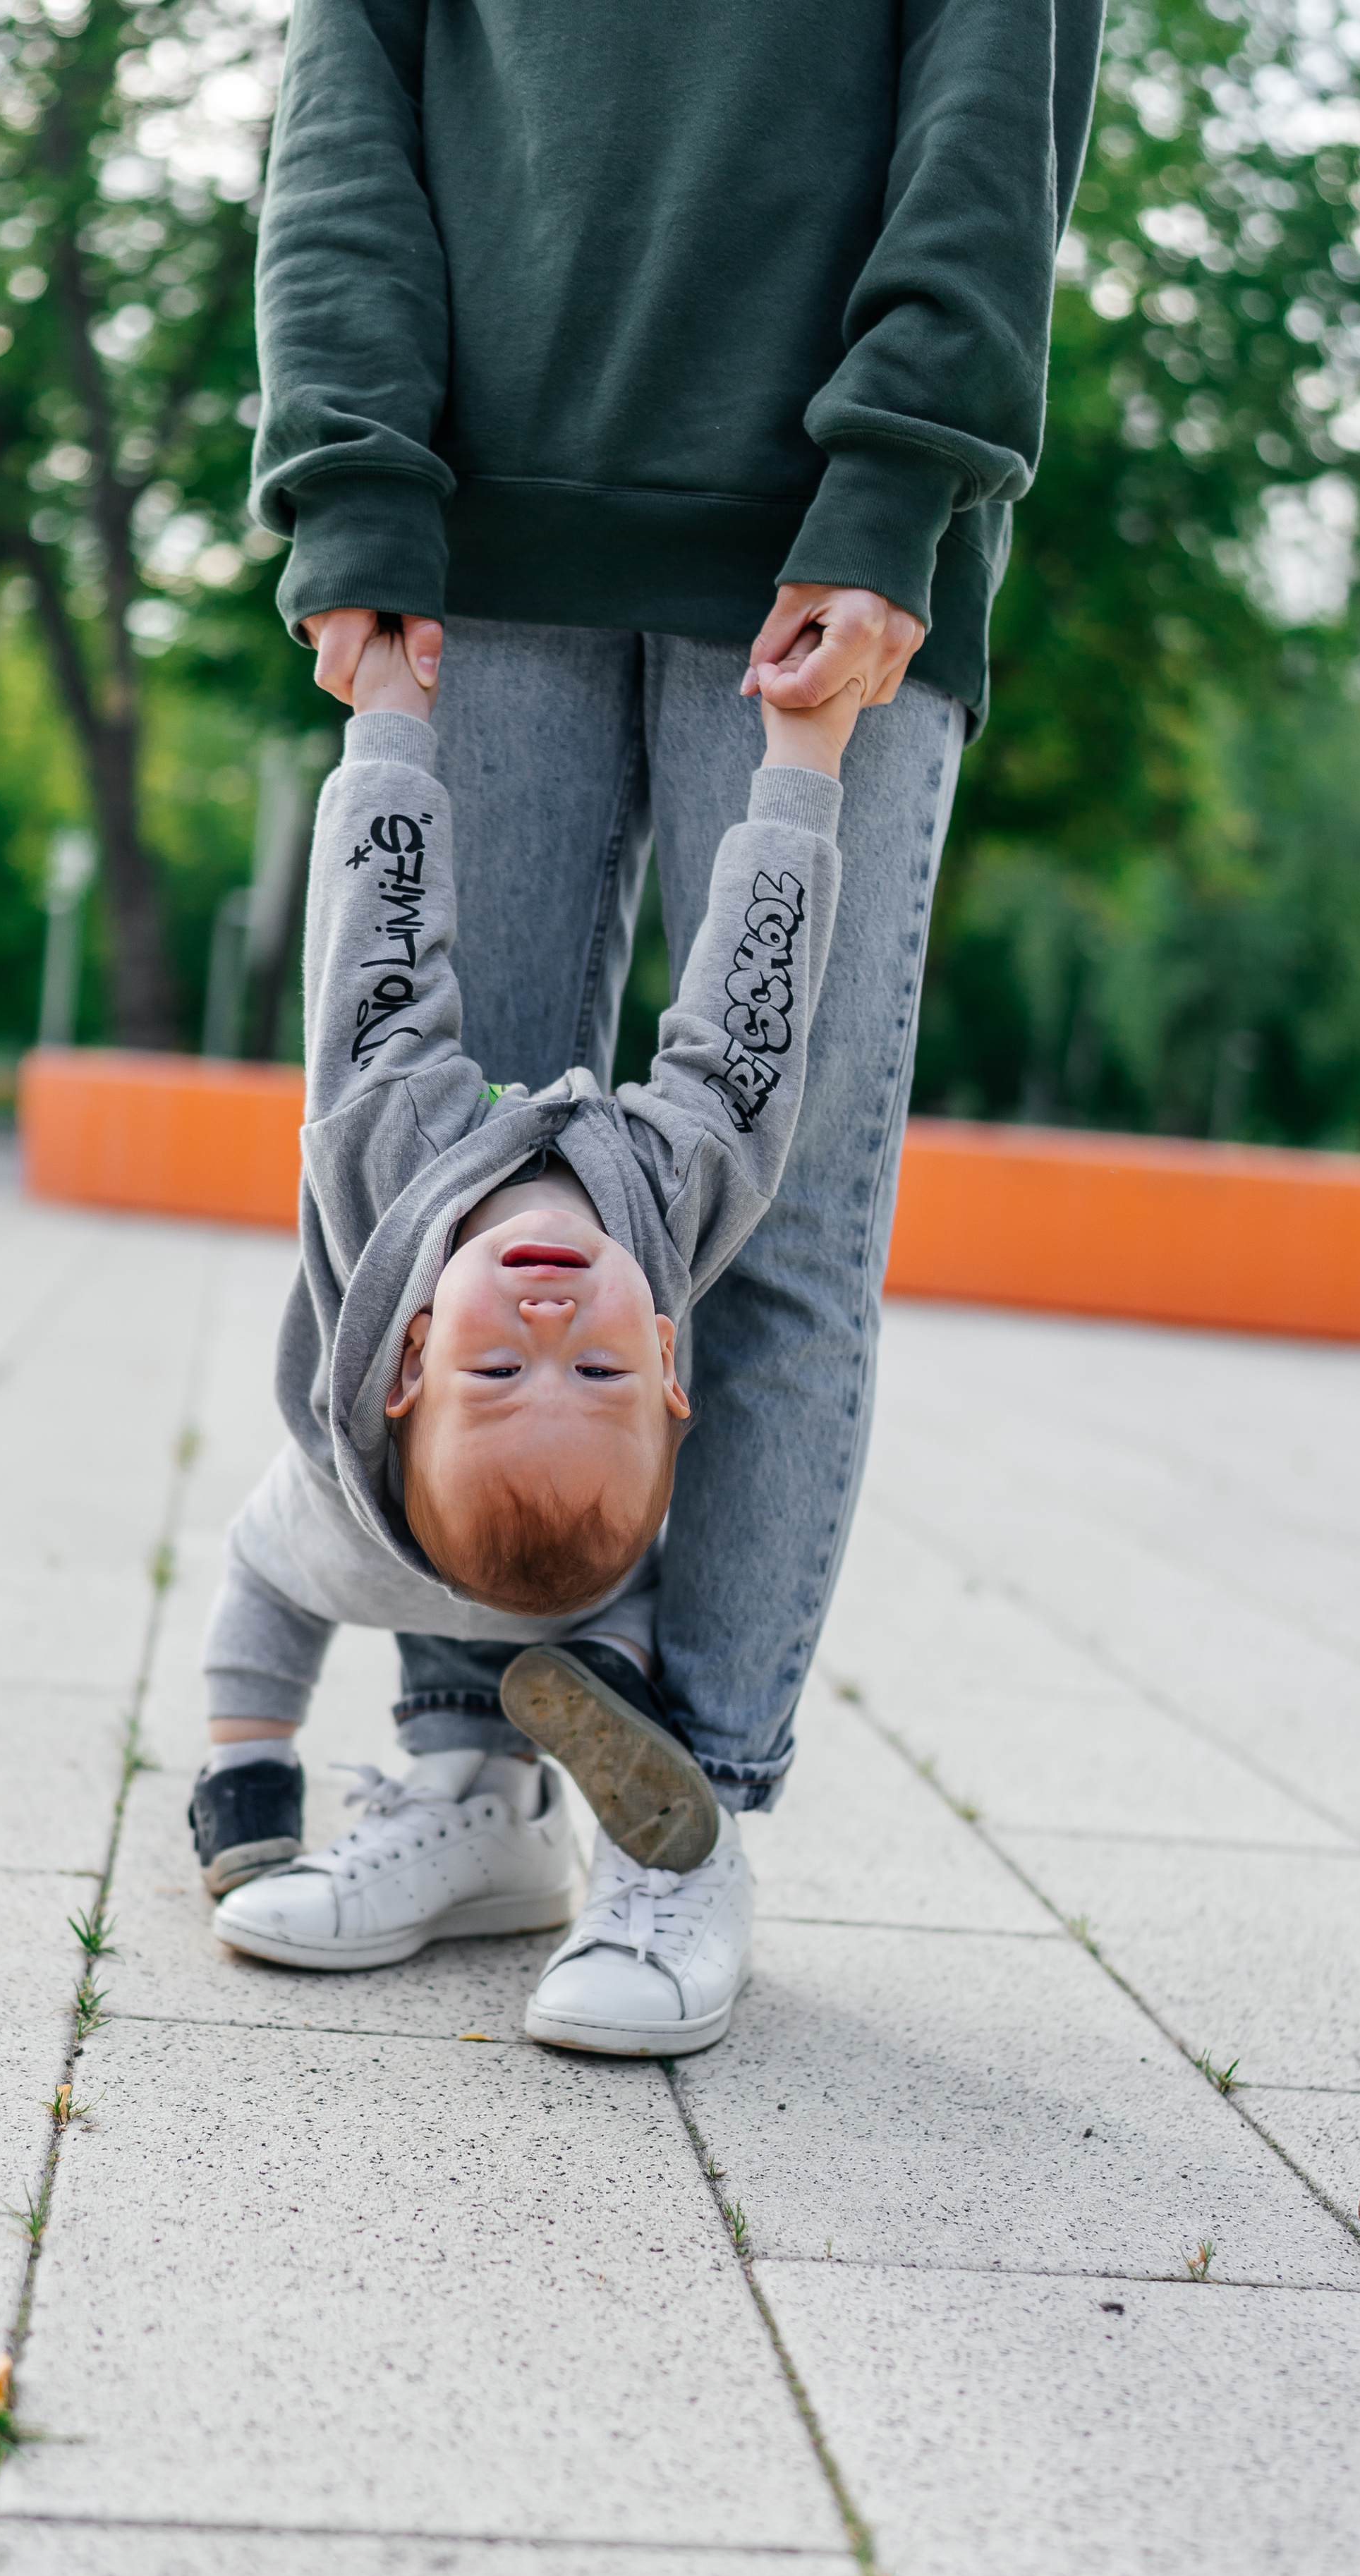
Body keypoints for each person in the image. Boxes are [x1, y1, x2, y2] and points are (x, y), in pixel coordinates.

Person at [224, 0, 1102, 2049]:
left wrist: (900, 489)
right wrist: (353, 477)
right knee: (422, 1215)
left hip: (823, 535)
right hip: (477, 519)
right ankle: (468, 1767)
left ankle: (673, 1826)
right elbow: (350, 90)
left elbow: (990, 121)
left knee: (775, 1225)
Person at [190, 616, 866, 2055]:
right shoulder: (680, 1197)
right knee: (585, 1606)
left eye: (501, 1369)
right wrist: (800, 769)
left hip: (367, 1503)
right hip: (687, 639)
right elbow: (751, 1021)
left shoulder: (386, 1143)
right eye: (600, 1369)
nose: (553, 1323)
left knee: (484, 1575)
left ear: (419, 1349)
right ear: (672, 1370)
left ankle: (632, 1801)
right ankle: (541, 1736)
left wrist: (385, 718)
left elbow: (372, 946)